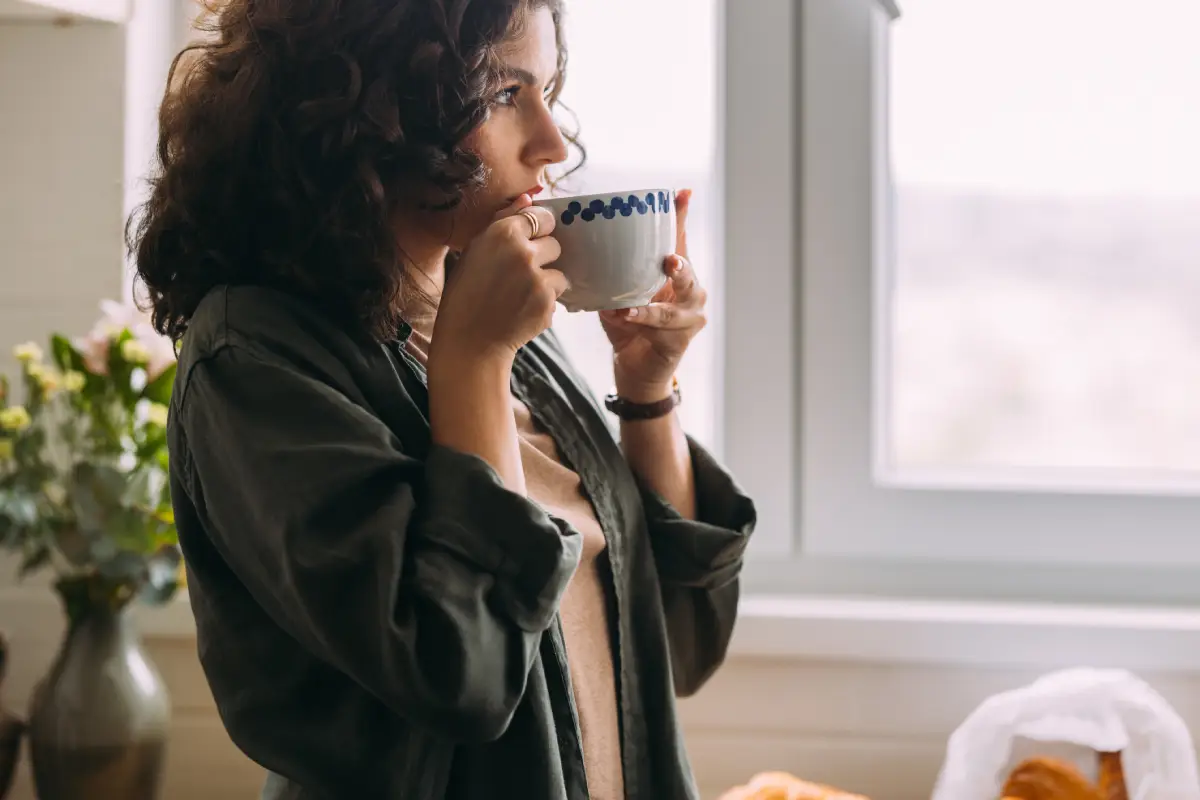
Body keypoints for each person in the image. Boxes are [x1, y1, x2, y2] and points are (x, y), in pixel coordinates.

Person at [129, 1, 756, 797]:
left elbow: (678, 641)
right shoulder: (254, 359)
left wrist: (646, 390)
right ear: (374, 105)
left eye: (548, 90)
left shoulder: (500, 313)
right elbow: (459, 674)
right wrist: (474, 359)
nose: (553, 143)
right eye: (503, 94)